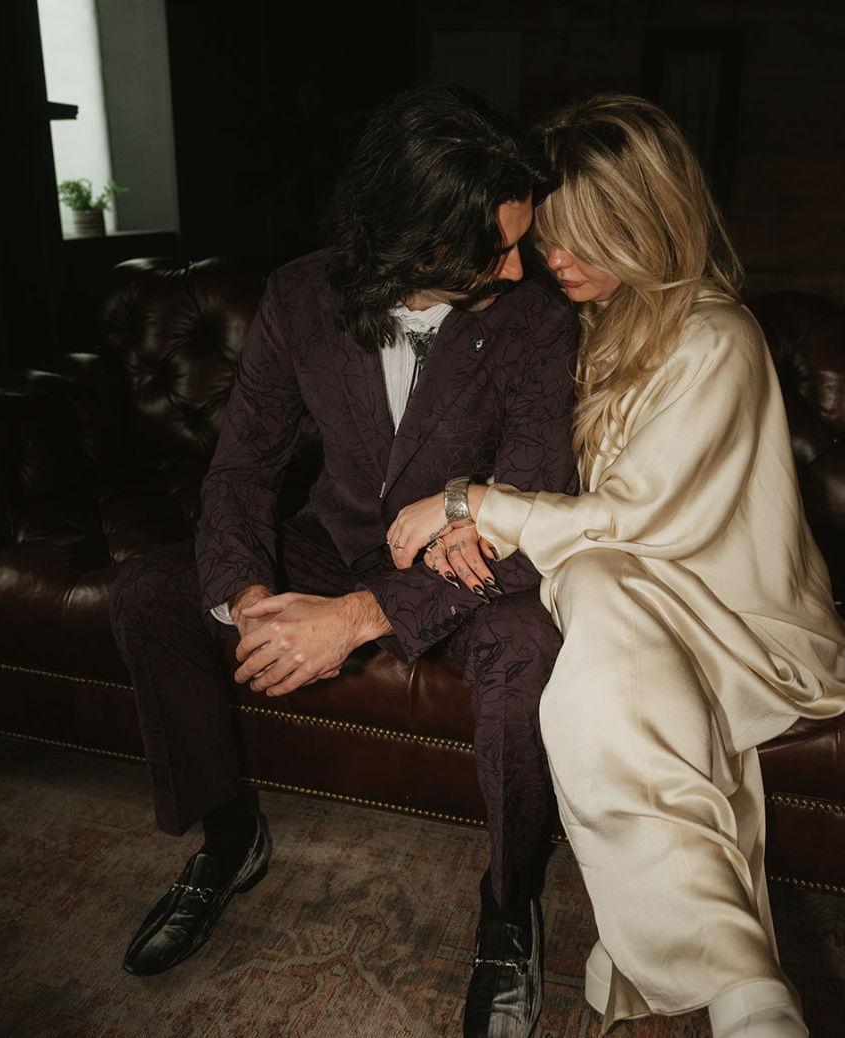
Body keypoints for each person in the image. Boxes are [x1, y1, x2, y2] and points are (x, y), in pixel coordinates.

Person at [109, 85, 581, 1038]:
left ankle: (509, 904)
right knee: (152, 590)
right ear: (413, 237)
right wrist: (249, 599)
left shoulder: (538, 318)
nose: (520, 264)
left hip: (468, 561)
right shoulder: (299, 295)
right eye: (495, 247)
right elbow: (243, 468)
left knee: (528, 651)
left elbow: (532, 509)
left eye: (520, 240)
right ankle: (229, 835)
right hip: (335, 539)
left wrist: (358, 618)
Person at [386, 95, 845, 1038]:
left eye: (586, 237)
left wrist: (472, 504)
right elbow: (548, 472)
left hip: (736, 624)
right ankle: (750, 996)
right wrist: (473, 523)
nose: (555, 259)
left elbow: (637, 518)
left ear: (649, 221)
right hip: (628, 599)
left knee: (598, 589)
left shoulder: (717, 338)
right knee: (597, 603)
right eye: (550, 235)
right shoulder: (593, 323)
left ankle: (737, 986)